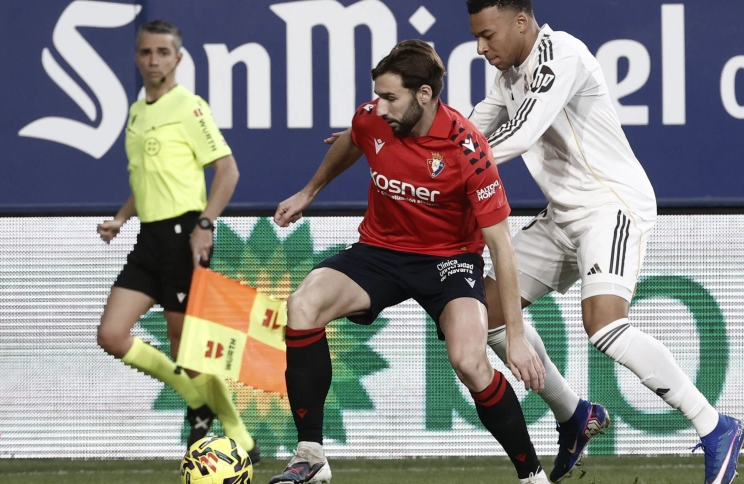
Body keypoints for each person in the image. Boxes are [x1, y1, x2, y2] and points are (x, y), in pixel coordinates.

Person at [464, 1, 744, 482]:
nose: (480, 47)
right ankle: (574, 414)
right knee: (480, 314)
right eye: (477, 37)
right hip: (562, 218)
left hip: (610, 207)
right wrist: (396, 140)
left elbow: (518, 134)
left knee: (604, 326)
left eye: (488, 35)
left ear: (520, 22)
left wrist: (449, 168)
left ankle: (716, 426)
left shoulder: (562, 56)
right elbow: (465, 131)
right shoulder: (508, 78)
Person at [269, 39, 550, 484]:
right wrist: (309, 191)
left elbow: (502, 247)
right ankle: (311, 455)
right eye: (377, 96)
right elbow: (353, 138)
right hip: (380, 252)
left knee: (470, 361)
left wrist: (515, 336)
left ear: (424, 95)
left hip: (448, 262)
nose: (379, 107)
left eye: (390, 97)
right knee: (303, 306)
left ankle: (532, 476)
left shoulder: (467, 150)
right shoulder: (375, 118)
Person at [95, 20, 259, 462]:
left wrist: (204, 224)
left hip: (184, 235)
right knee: (111, 335)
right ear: (137, 57)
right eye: (146, 52)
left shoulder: (190, 106)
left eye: (162, 53)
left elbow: (228, 171)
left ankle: (239, 436)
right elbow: (145, 179)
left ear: (178, 58)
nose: (153, 60)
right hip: (149, 237)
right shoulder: (137, 110)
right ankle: (196, 401)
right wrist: (120, 218)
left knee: (189, 349)